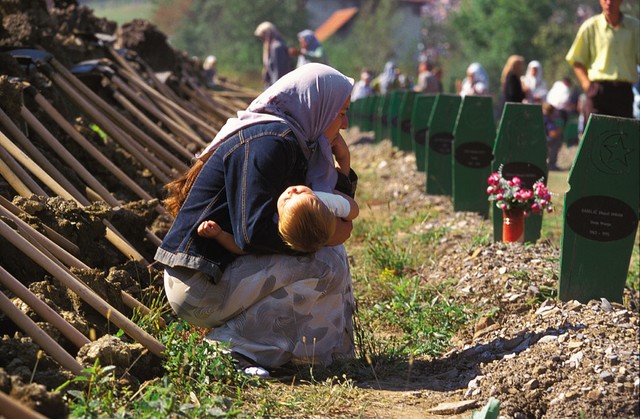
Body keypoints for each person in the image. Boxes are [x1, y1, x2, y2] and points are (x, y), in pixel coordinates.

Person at [155, 63, 356, 378]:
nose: (344, 123)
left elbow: (331, 217)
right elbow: (253, 232)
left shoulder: (298, 143)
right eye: (340, 112)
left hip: (226, 275)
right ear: (317, 106)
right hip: (197, 284)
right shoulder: (270, 141)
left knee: (330, 254)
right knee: (323, 262)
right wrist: (323, 236)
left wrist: (343, 167)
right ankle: (229, 350)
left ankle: (318, 354)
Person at [198, 185, 359, 254]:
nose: (293, 191)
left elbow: (242, 249)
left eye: (288, 201)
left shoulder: (275, 226)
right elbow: (353, 210)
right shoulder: (318, 203)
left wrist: (219, 235)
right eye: (302, 193)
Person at [565, 0, 640, 120]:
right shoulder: (590, 26)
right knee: (594, 136)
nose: (609, 2)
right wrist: (587, 86)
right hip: (597, 92)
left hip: (624, 93)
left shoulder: (635, 27)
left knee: (622, 136)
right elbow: (577, 60)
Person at [254, 21, 292, 88]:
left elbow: (278, 72)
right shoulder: (273, 46)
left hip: (278, 87)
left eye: (262, 37)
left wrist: (275, 89)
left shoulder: (277, 47)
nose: (262, 40)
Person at [542, 102, 563, 171]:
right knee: (557, 140)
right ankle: (552, 164)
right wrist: (559, 131)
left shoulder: (538, 116)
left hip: (536, 139)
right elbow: (552, 133)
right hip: (544, 140)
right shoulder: (547, 118)